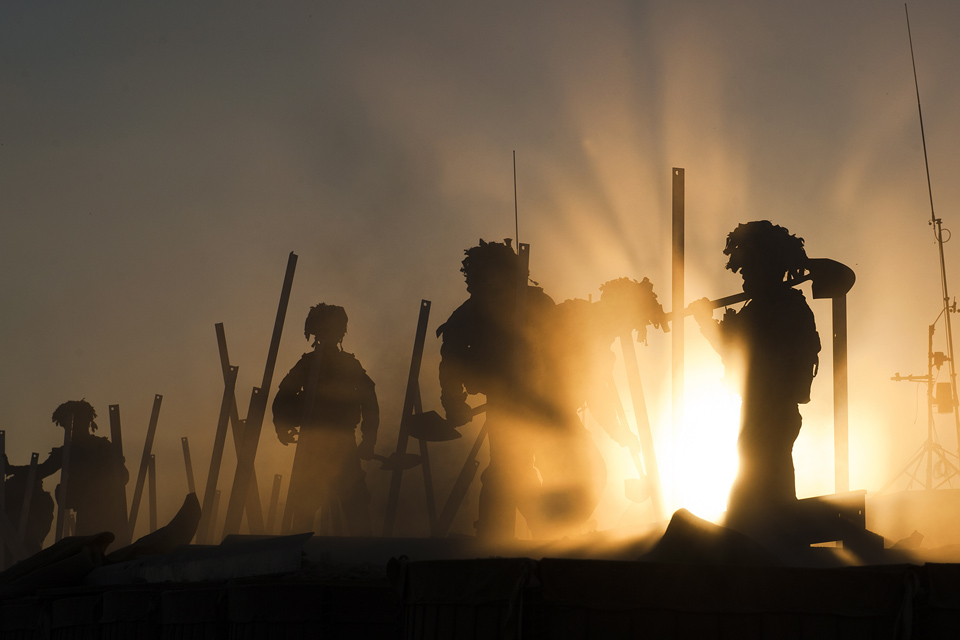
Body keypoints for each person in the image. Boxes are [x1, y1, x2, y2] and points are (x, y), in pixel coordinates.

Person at [437, 239, 603, 540]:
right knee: (507, 474)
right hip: (507, 409)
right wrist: (454, 403)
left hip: (548, 402)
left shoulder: (537, 303)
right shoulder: (469, 314)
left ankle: (560, 530)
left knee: (576, 467)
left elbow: (564, 348)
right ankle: (505, 538)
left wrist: (569, 387)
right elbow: (452, 362)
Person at [690, 221, 821, 530]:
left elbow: (734, 349)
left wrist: (703, 322)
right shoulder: (778, 305)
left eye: (747, 267)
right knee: (766, 498)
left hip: (769, 414)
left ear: (764, 265)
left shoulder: (774, 308)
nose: (743, 275)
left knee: (754, 506)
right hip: (770, 414)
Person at [272, 303, 379, 536]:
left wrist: (369, 438)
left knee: (352, 503)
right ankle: (300, 553)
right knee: (307, 505)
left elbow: (369, 400)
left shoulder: (346, 365)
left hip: (340, 443)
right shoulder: (310, 364)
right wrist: (282, 425)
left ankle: (362, 556)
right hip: (315, 443)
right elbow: (283, 396)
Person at [9, 400, 130, 544]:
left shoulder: (76, 449)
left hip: (97, 516)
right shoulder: (98, 447)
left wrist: (93, 489)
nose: (70, 430)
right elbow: (41, 471)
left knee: (94, 551)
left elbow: (41, 471)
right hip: (104, 515)